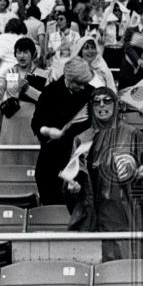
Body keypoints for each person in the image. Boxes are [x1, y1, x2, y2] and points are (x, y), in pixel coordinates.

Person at [83, 87, 143, 261]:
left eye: (107, 101)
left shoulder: (133, 134)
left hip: (129, 206)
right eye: (97, 102)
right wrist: (73, 184)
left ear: (116, 105)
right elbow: (77, 170)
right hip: (98, 207)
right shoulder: (84, 137)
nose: (102, 105)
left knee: (127, 255)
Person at [31, 56, 95, 205]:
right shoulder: (50, 92)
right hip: (51, 162)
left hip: (80, 161)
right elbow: (36, 121)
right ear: (68, 78)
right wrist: (47, 130)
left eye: (85, 83)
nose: (83, 88)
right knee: (53, 210)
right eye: (79, 84)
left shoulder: (90, 93)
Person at [0, 37, 48, 165]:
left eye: (25, 52)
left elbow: (46, 100)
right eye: (18, 52)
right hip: (11, 122)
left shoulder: (44, 74)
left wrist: (27, 89)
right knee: (9, 158)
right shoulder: (8, 72)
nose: (22, 56)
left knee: (31, 159)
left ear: (33, 54)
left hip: (32, 122)